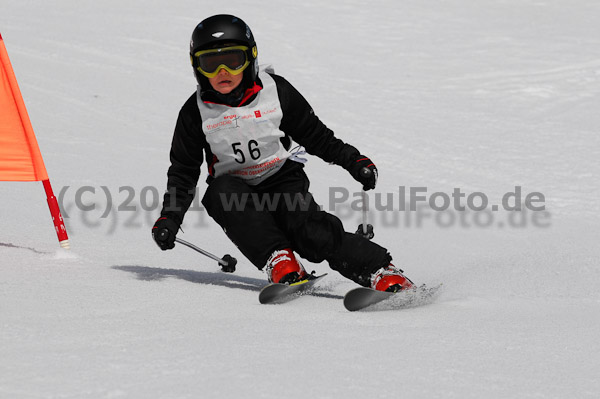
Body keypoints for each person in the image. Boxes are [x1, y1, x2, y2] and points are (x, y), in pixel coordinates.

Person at [152, 14, 414, 292]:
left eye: (232, 61)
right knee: (221, 194)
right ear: (197, 67)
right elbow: (183, 171)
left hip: (281, 178)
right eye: (211, 64)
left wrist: (353, 160)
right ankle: (280, 261)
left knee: (310, 232)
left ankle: (379, 270)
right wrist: (170, 217)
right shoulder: (195, 113)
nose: (222, 73)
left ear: (250, 59)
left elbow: (317, 136)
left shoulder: (276, 92)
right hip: (234, 189)